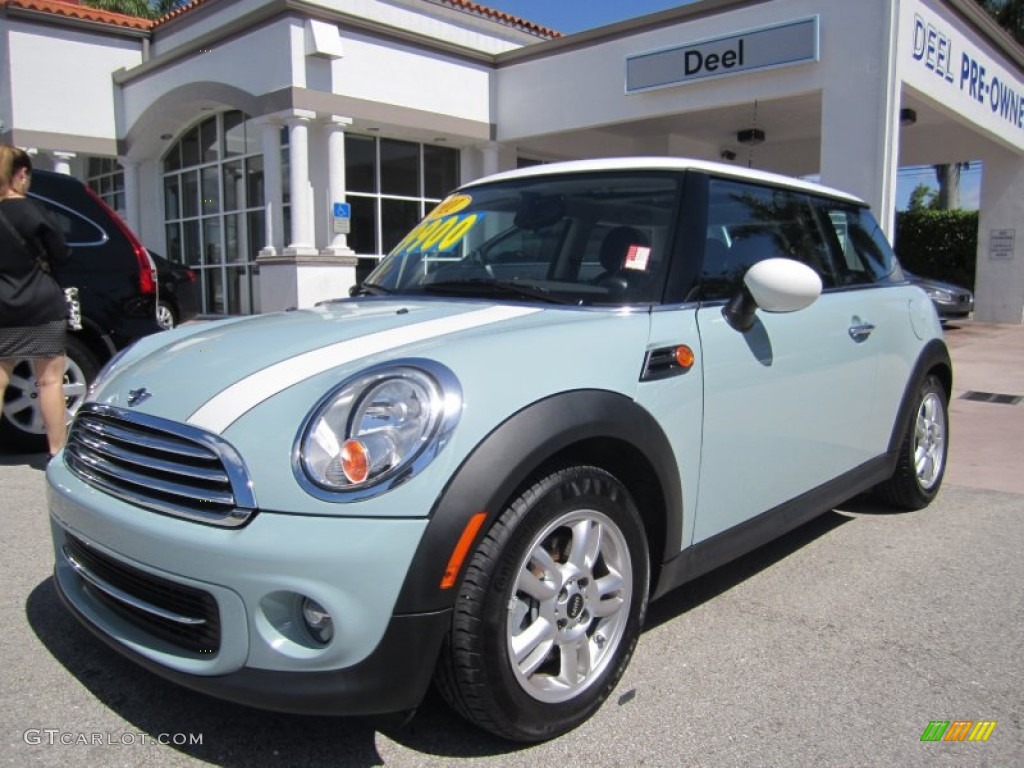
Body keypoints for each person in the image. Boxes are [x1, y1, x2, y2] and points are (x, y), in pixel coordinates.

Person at [0, 145, 72, 458]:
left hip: (2, 306)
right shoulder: (33, 211)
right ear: (21, 174)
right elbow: (62, 254)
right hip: (42, 305)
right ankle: (56, 450)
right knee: (49, 380)